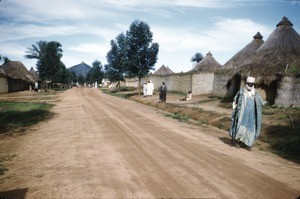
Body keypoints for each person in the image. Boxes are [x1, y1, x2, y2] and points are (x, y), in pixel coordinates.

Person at [229, 76, 264, 151]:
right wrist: (235, 107)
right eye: (249, 84)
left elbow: (260, 103)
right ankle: (237, 142)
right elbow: (235, 100)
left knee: (251, 130)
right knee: (240, 128)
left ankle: (248, 144)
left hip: (252, 115)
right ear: (246, 83)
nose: (250, 85)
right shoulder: (242, 92)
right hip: (242, 114)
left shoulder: (256, 93)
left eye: (252, 84)